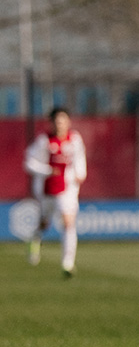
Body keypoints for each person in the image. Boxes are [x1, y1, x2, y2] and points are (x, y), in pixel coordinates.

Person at [23, 107, 87, 277]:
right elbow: (29, 163)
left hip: (68, 189)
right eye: (57, 121)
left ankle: (67, 263)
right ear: (51, 123)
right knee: (45, 223)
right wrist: (47, 170)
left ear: (68, 122)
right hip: (47, 189)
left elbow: (80, 159)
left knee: (68, 222)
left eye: (63, 121)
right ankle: (35, 239)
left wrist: (81, 173)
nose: (60, 125)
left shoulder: (75, 139)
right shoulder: (44, 141)